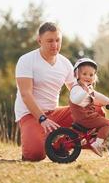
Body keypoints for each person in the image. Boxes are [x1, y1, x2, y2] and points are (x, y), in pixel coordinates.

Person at [14, 22, 75, 161]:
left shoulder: (65, 63)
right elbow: (25, 94)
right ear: (39, 40)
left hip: (54, 113)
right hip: (31, 115)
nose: (55, 45)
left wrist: (99, 100)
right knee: (35, 155)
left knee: (95, 111)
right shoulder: (26, 60)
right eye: (50, 41)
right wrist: (42, 119)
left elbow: (76, 92)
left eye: (58, 40)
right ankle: (38, 141)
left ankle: (60, 146)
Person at [69, 58, 109, 157]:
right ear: (77, 74)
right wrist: (85, 92)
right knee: (106, 123)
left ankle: (87, 141)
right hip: (84, 117)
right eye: (84, 74)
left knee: (99, 119)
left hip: (86, 115)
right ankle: (96, 144)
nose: (87, 77)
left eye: (91, 75)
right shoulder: (77, 88)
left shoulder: (88, 88)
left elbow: (98, 95)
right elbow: (75, 100)